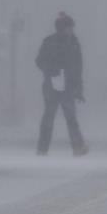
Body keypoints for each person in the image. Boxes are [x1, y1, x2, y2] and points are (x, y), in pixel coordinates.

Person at [35, 12, 89, 156]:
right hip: (52, 85)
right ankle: (43, 148)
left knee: (69, 118)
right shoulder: (50, 42)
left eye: (71, 28)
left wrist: (79, 89)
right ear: (61, 28)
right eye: (69, 28)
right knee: (50, 118)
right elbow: (39, 60)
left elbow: (78, 68)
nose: (71, 31)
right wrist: (51, 70)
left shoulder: (74, 44)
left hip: (68, 86)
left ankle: (77, 147)